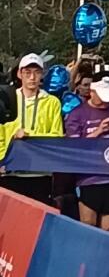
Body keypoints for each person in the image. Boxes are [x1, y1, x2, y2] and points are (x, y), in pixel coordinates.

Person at [64, 79, 109, 230]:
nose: (106, 103)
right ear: (92, 92)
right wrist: (99, 131)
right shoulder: (77, 114)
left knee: (108, 229)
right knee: (88, 226)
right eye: (103, 97)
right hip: (88, 178)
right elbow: (73, 147)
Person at [0, 52, 64, 204]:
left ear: (42, 74)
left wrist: (30, 135)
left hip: (40, 172)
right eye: (27, 72)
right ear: (19, 74)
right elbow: (1, 134)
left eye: (36, 72)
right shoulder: (7, 98)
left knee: (37, 215)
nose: (32, 77)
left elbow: (57, 136)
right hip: (11, 171)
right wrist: (2, 161)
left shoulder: (52, 102)